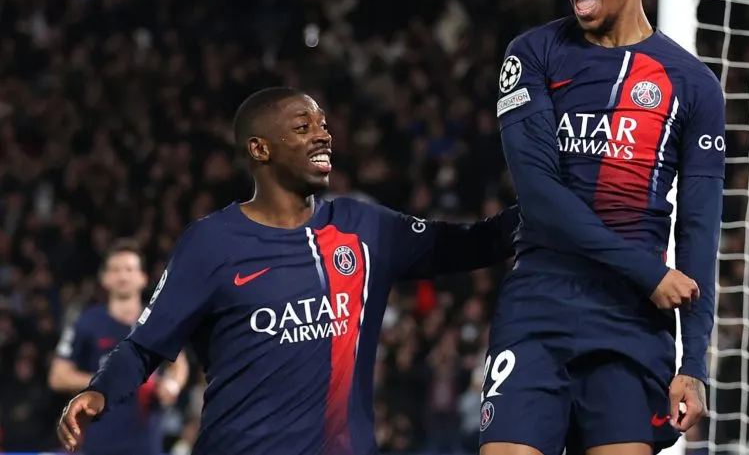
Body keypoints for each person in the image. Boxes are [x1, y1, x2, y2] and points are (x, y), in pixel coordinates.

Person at [56, 87, 519, 455]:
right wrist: (98, 392)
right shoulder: (211, 243)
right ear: (260, 149)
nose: (323, 134)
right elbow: (144, 346)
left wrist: (555, 203)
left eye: (323, 124)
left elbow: (471, 244)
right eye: (303, 127)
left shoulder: (363, 228)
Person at [480, 0, 724, 455]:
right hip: (540, 302)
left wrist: (695, 363)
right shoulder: (533, 54)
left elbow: (698, 229)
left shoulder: (692, 84)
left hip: (629, 323)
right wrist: (648, 272)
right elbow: (538, 195)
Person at [49, 238, 190, 455]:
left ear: (143, 277)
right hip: (97, 442)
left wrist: (171, 386)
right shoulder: (86, 322)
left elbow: (179, 364)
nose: (123, 275)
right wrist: (110, 382)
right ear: (104, 278)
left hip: (145, 443)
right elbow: (58, 376)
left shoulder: (157, 321)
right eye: (115, 270)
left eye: (129, 269)